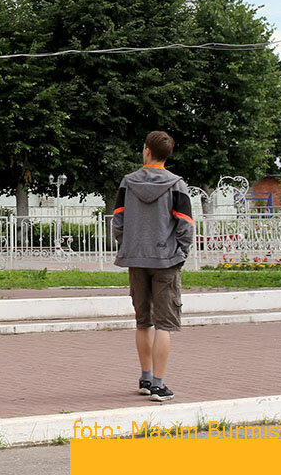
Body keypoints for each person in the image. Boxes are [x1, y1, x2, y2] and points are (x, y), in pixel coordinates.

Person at [113, 131, 194, 402]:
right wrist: (180, 252)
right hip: (166, 261)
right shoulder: (177, 185)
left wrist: (129, 246)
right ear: (167, 155)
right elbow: (185, 225)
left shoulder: (127, 183)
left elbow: (118, 221)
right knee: (164, 324)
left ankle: (145, 378)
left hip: (136, 260)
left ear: (146, 150)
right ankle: (159, 385)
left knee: (142, 321)